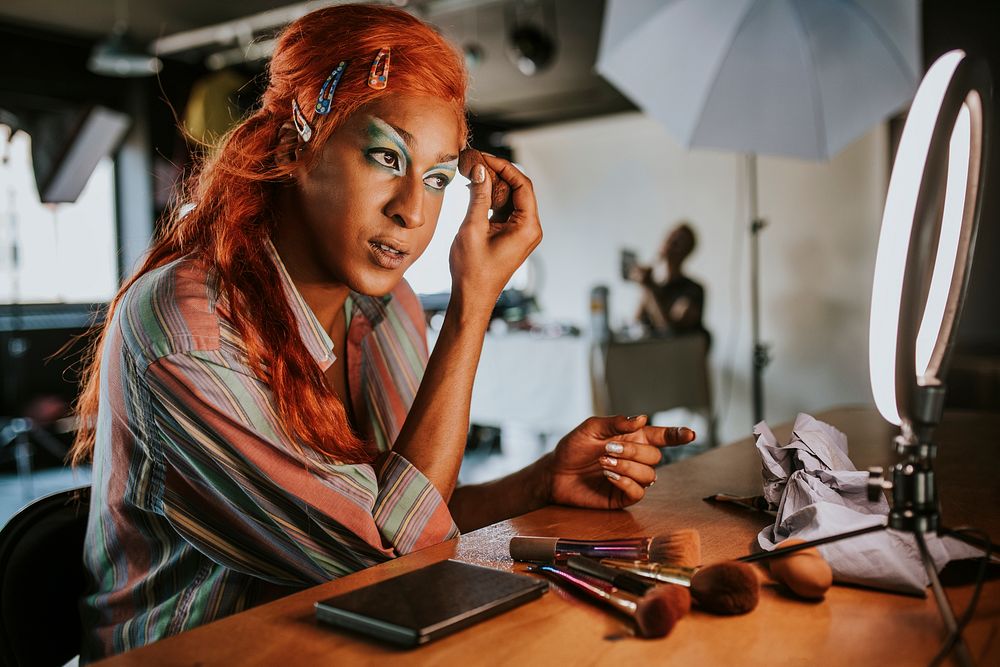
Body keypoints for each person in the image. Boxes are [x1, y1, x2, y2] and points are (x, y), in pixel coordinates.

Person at [70, 5, 695, 660]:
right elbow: (387, 552)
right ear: (294, 149)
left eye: (434, 178)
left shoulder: (388, 305)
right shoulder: (189, 334)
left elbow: (403, 504)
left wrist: (538, 482)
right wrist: (472, 304)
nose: (413, 211)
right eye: (383, 156)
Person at [628, 222, 710, 344]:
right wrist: (646, 287)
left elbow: (669, 334)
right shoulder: (654, 285)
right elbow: (636, 325)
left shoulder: (692, 290)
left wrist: (648, 288)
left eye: (678, 241)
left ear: (687, 251)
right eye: (670, 236)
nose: (670, 242)